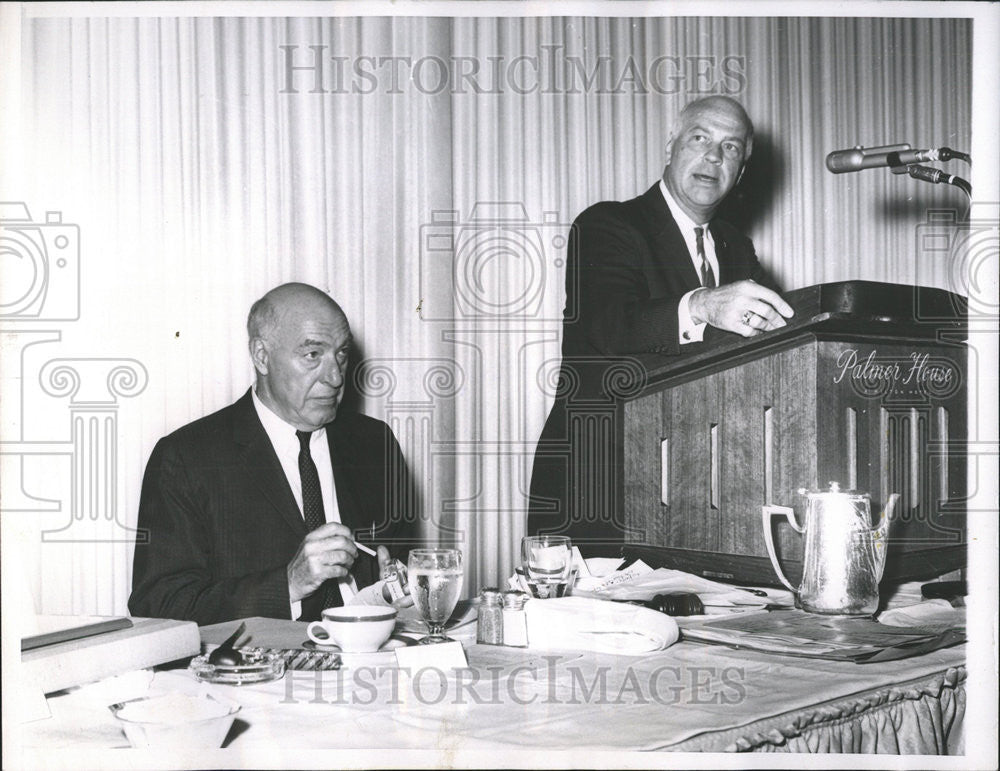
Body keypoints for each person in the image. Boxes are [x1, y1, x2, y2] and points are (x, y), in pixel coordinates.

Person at [528, 95, 794, 555]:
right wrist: (703, 305)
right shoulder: (608, 224)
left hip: (696, 490)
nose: (714, 156)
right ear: (671, 144)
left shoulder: (737, 248)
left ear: (742, 171)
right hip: (600, 483)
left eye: (731, 148)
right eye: (700, 138)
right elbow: (608, 326)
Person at [129, 283, 416, 625]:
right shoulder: (186, 459)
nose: (336, 376)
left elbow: (402, 570)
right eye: (313, 355)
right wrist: (288, 586)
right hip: (256, 673)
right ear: (261, 356)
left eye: (341, 353)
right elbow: (158, 608)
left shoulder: (374, 444)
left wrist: (398, 590)